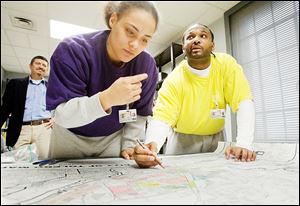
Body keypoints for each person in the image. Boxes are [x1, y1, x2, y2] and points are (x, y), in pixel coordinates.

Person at [46, 1, 159, 159]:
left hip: (112, 139)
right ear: (113, 20)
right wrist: (106, 99)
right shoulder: (73, 50)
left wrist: (129, 145)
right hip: (69, 137)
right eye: (130, 31)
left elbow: (139, 114)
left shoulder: (146, 66)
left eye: (145, 40)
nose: (135, 45)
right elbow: (62, 115)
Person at [134, 24, 257, 168]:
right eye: (190, 37)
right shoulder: (174, 79)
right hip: (182, 142)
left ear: (213, 45)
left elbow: (243, 102)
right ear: (183, 48)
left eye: (203, 36)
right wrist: (151, 144)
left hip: (216, 138)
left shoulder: (226, 64)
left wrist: (244, 143)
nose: (196, 40)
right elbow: (162, 117)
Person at [0, 56, 53, 159]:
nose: (41, 67)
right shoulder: (15, 84)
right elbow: (5, 108)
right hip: (21, 129)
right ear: (30, 66)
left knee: (44, 161)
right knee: (20, 162)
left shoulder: (52, 87)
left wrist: (56, 119)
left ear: (46, 69)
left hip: (44, 128)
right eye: (38, 63)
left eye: (44, 65)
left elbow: (59, 106)